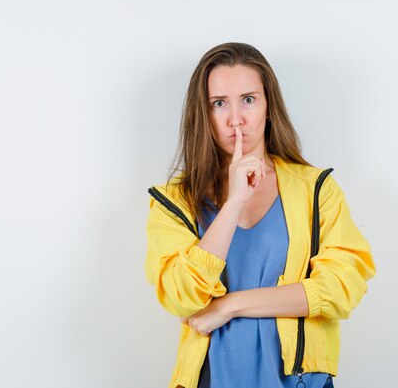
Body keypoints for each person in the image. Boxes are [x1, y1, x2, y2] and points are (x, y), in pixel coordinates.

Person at [144, 42, 376, 388]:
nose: (235, 118)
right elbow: (181, 295)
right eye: (219, 103)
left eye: (248, 99)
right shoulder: (174, 201)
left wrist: (230, 306)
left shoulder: (316, 189)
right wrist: (234, 202)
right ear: (203, 114)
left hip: (301, 382)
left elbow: (342, 289)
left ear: (269, 106)